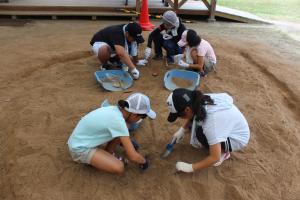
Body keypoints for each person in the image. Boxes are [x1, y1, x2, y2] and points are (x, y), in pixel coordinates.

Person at [67, 93, 156, 174]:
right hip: (79, 149)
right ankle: (95, 162)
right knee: (119, 167)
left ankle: (107, 154)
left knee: (126, 127)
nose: (141, 119)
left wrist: (125, 142)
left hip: (81, 139)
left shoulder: (115, 110)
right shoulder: (118, 122)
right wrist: (144, 162)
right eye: (143, 116)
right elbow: (132, 156)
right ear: (133, 114)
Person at [166, 88, 250, 173]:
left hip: (236, 138)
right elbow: (193, 114)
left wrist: (190, 167)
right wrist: (182, 129)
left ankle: (224, 152)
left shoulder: (211, 123)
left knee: (200, 134)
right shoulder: (199, 99)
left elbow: (214, 157)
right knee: (197, 126)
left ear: (187, 110)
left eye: (179, 116)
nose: (180, 118)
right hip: (232, 125)